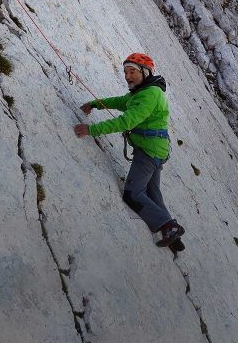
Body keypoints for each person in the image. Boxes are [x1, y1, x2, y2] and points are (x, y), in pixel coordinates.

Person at [74, 53, 185, 250]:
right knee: (152, 193)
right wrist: (94, 104)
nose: (127, 76)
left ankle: (169, 226)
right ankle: (172, 235)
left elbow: (127, 121)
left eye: (132, 71)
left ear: (145, 72)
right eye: (125, 72)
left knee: (133, 194)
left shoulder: (150, 94)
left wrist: (92, 130)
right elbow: (119, 102)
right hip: (155, 150)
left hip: (148, 153)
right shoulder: (142, 92)